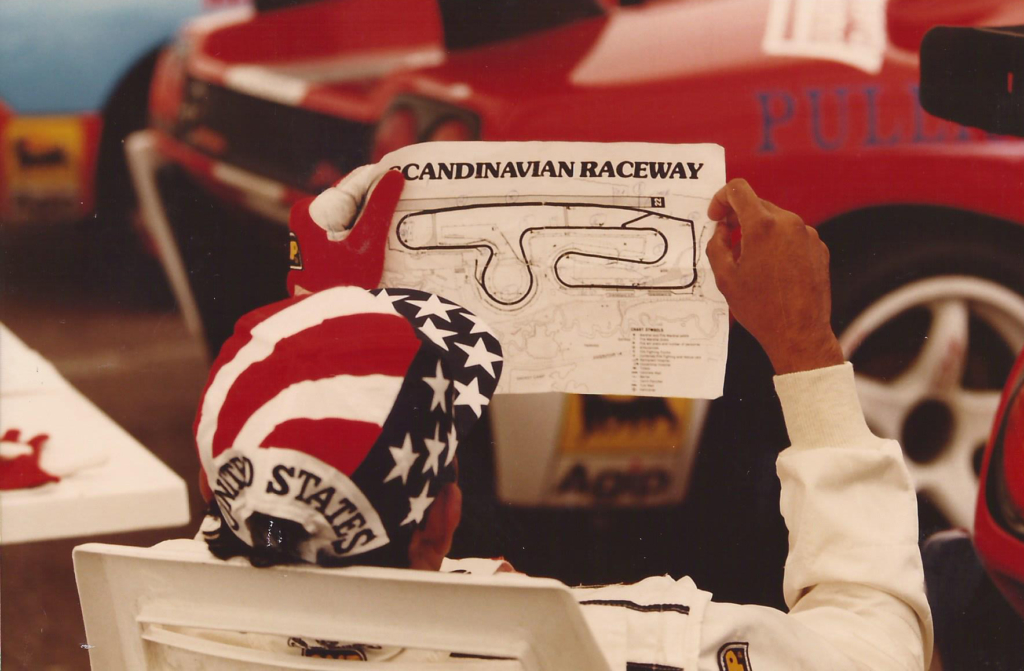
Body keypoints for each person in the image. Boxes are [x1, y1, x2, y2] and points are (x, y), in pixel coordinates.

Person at [163, 167, 933, 670]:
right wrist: (805, 347)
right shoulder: (624, 644)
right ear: (443, 523)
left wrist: (329, 315)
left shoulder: (163, 616)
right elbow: (878, 646)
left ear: (209, 481)